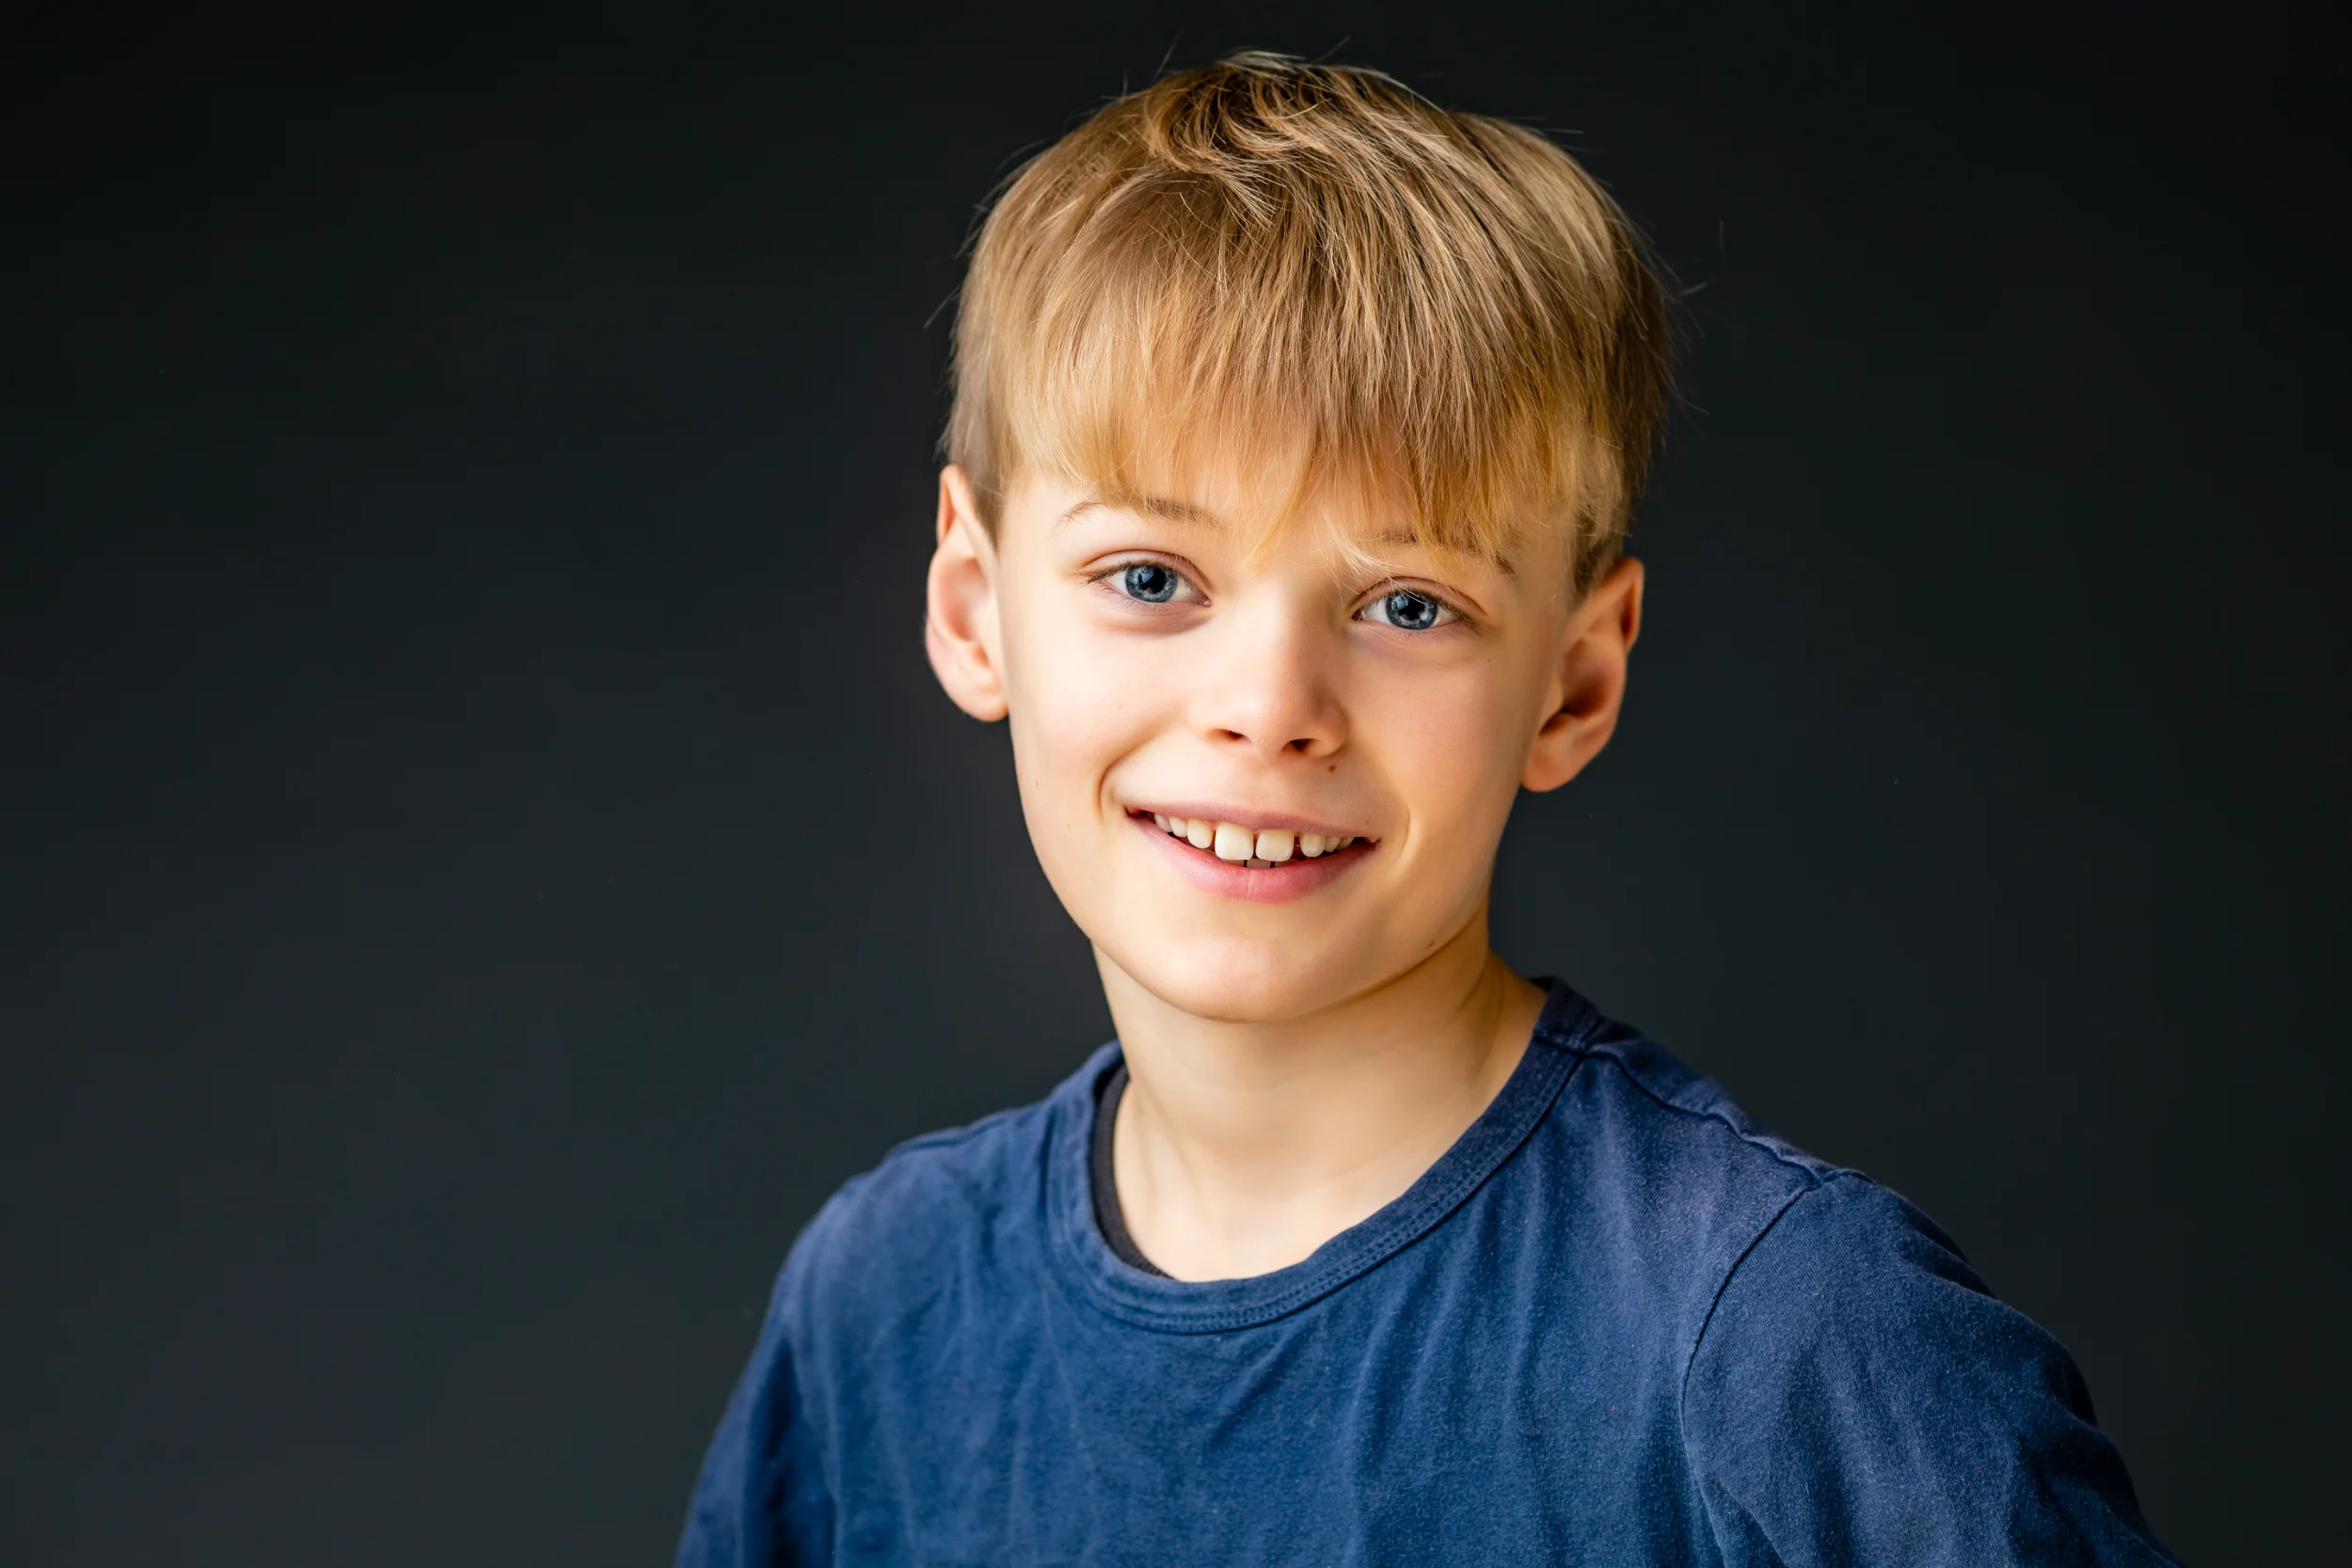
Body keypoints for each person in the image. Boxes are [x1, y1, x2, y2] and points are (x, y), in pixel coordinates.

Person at [676, 53, 2177, 1566]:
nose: (1269, 704)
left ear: (1575, 683)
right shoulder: (881, 1306)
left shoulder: (1790, 1339)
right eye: (1151, 579)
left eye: (1406, 602)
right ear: (973, 603)